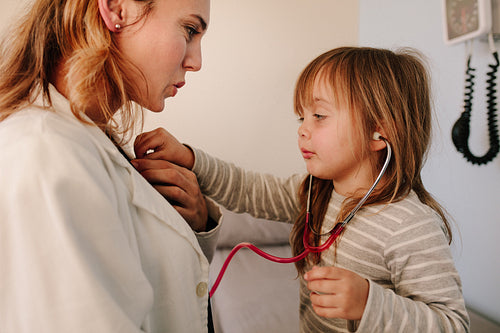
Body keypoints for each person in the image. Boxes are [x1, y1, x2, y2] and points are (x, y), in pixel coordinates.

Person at [132, 47, 470, 332]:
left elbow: (453, 323)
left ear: (379, 132)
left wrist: (370, 302)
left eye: (319, 116)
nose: (303, 131)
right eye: (301, 118)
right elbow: (247, 189)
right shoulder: (317, 193)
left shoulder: (410, 225)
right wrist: (190, 159)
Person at [0, 0, 221, 332]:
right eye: (190, 29)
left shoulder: (91, 141)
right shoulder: (45, 152)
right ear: (118, 9)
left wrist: (196, 221)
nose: (197, 62)